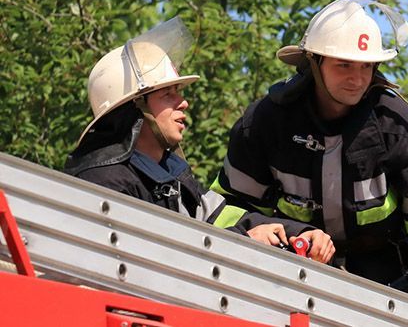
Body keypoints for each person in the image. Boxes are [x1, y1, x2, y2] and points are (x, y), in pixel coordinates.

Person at [211, 0, 408, 314]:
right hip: (287, 284)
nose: (357, 78)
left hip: (388, 291)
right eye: (344, 65)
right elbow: (224, 211)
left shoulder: (401, 130)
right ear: (314, 62)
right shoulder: (265, 124)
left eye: (366, 66)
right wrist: (290, 233)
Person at [64, 18, 334, 263]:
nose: (184, 102)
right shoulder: (105, 181)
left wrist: (298, 232)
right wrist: (243, 243)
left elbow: (222, 217)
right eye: (168, 94)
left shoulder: (169, 177)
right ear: (134, 108)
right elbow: (153, 261)